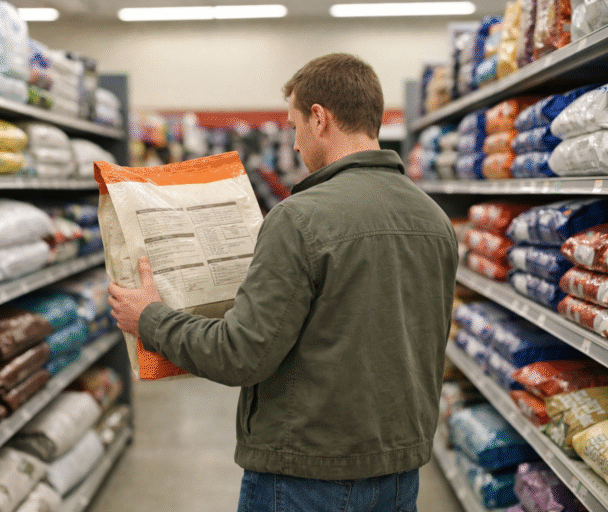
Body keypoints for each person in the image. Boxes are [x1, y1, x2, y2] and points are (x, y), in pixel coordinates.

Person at [108, 53, 459, 512]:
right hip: (399, 475)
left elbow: (241, 354)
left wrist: (150, 318)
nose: (293, 144)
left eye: (294, 125)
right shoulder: (434, 219)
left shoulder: (300, 218)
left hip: (307, 477)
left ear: (319, 118)